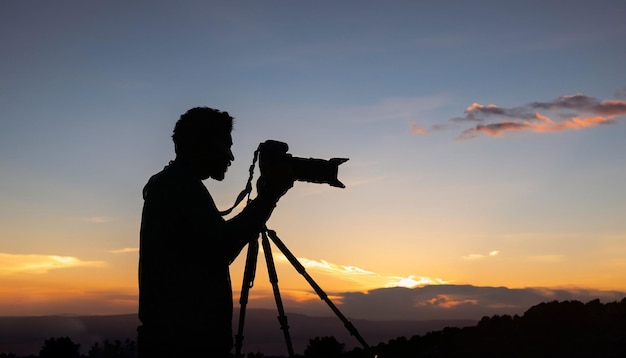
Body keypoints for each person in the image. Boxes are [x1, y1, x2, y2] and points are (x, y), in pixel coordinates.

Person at [137, 107, 294, 357]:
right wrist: (270, 196)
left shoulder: (176, 184)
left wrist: (265, 197)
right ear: (202, 144)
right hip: (185, 344)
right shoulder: (177, 187)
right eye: (226, 146)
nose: (231, 157)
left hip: (178, 339)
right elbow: (221, 247)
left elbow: (213, 241)